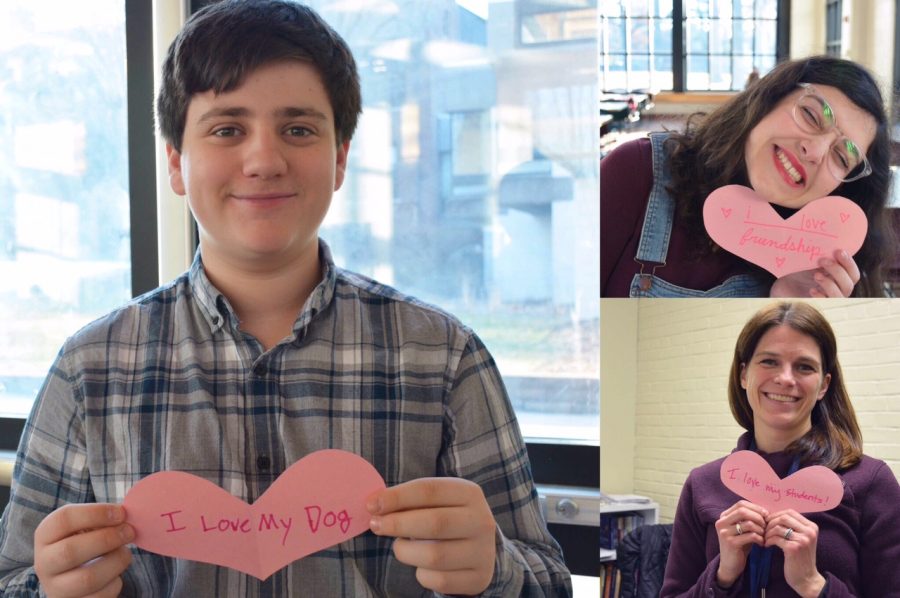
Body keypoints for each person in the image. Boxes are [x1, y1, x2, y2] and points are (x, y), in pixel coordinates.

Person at [0, 2, 572, 596]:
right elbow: (13, 575)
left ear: (341, 157)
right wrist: (48, 588)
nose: (264, 160)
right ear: (175, 161)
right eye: (227, 129)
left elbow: (549, 580)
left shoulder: (444, 357)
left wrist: (497, 572)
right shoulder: (89, 369)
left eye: (298, 129)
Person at [601, 56, 895, 298]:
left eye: (842, 157)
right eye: (810, 115)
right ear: (769, 97)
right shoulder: (636, 172)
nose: (815, 151)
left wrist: (790, 311)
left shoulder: (819, 270)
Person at [660, 302, 900, 597]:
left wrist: (813, 585)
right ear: (744, 374)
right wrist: (723, 575)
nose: (785, 379)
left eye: (804, 366)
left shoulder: (871, 482)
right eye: (769, 362)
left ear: (824, 385)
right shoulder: (702, 482)